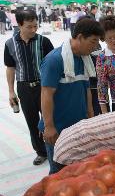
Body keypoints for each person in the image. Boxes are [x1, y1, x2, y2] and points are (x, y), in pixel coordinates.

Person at [39, 17, 104, 174]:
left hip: (78, 127)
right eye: (93, 42)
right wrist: (49, 126)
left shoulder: (84, 59)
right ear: (80, 37)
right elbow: (46, 94)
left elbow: (87, 88)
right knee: (58, 173)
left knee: (78, 172)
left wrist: (90, 115)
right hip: (58, 130)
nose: (95, 47)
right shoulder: (55, 60)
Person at [4, 10, 54, 166]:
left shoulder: (44, 41)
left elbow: (53, 64)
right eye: (29, 27)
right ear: (19, 25)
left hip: (43, 86)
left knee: (49, 118)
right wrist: (11, 91)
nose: (33, 30)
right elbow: (10, 68)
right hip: (24, 88)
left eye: (35, 26)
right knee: (32, 121)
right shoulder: (10, 44)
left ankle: (55, 148)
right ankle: (41, 152)